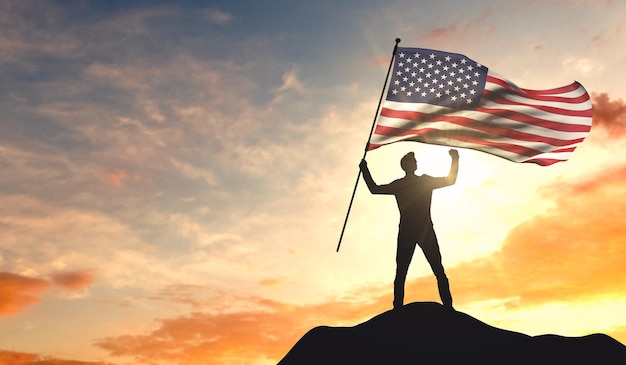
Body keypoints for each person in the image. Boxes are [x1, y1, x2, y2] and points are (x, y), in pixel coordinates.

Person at [359, 149, 459, 310]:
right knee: (406, 271)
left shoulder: (410, 183)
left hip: (419, 229)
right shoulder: (412, 183)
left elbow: (450, 180)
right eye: (411, 162)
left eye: (413, 162)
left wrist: (365, 170)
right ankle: (399, 307)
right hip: (415, 230)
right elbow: (375, 189)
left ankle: (447, 306)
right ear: (408, 166)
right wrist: (365, 170)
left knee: (433, 269)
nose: (414, 164)